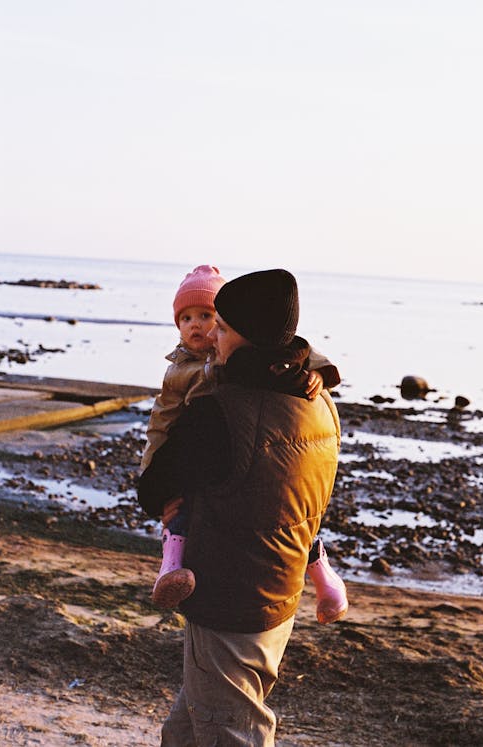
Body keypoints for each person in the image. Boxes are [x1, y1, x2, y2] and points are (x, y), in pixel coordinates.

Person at [138, 268, 342, 745]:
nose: (212, 338)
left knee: (233, 732)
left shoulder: (221, 411)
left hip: (228, 599)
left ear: (247, 337)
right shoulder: (321, 400)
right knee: (189, 727)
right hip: (280, 590)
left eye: (223, 328)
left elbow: (153, 490)